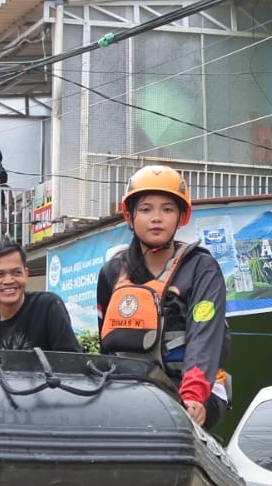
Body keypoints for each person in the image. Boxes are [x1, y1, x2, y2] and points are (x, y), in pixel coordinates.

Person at [96, 165, 231, 429]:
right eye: (146, 209)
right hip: (131, 389)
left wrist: (192, 397)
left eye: (167, 209)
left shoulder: (202, 268)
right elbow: (106, 344)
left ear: (181, 216)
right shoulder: (112, 272)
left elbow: (203, 338)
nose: (156, 218)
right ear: (130, 216)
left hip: (192, 390)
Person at [0, 238, 78, 352]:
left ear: (26, 274)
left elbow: (71, 362)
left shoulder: (48, 306)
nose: (9, 281)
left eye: (17, 272)